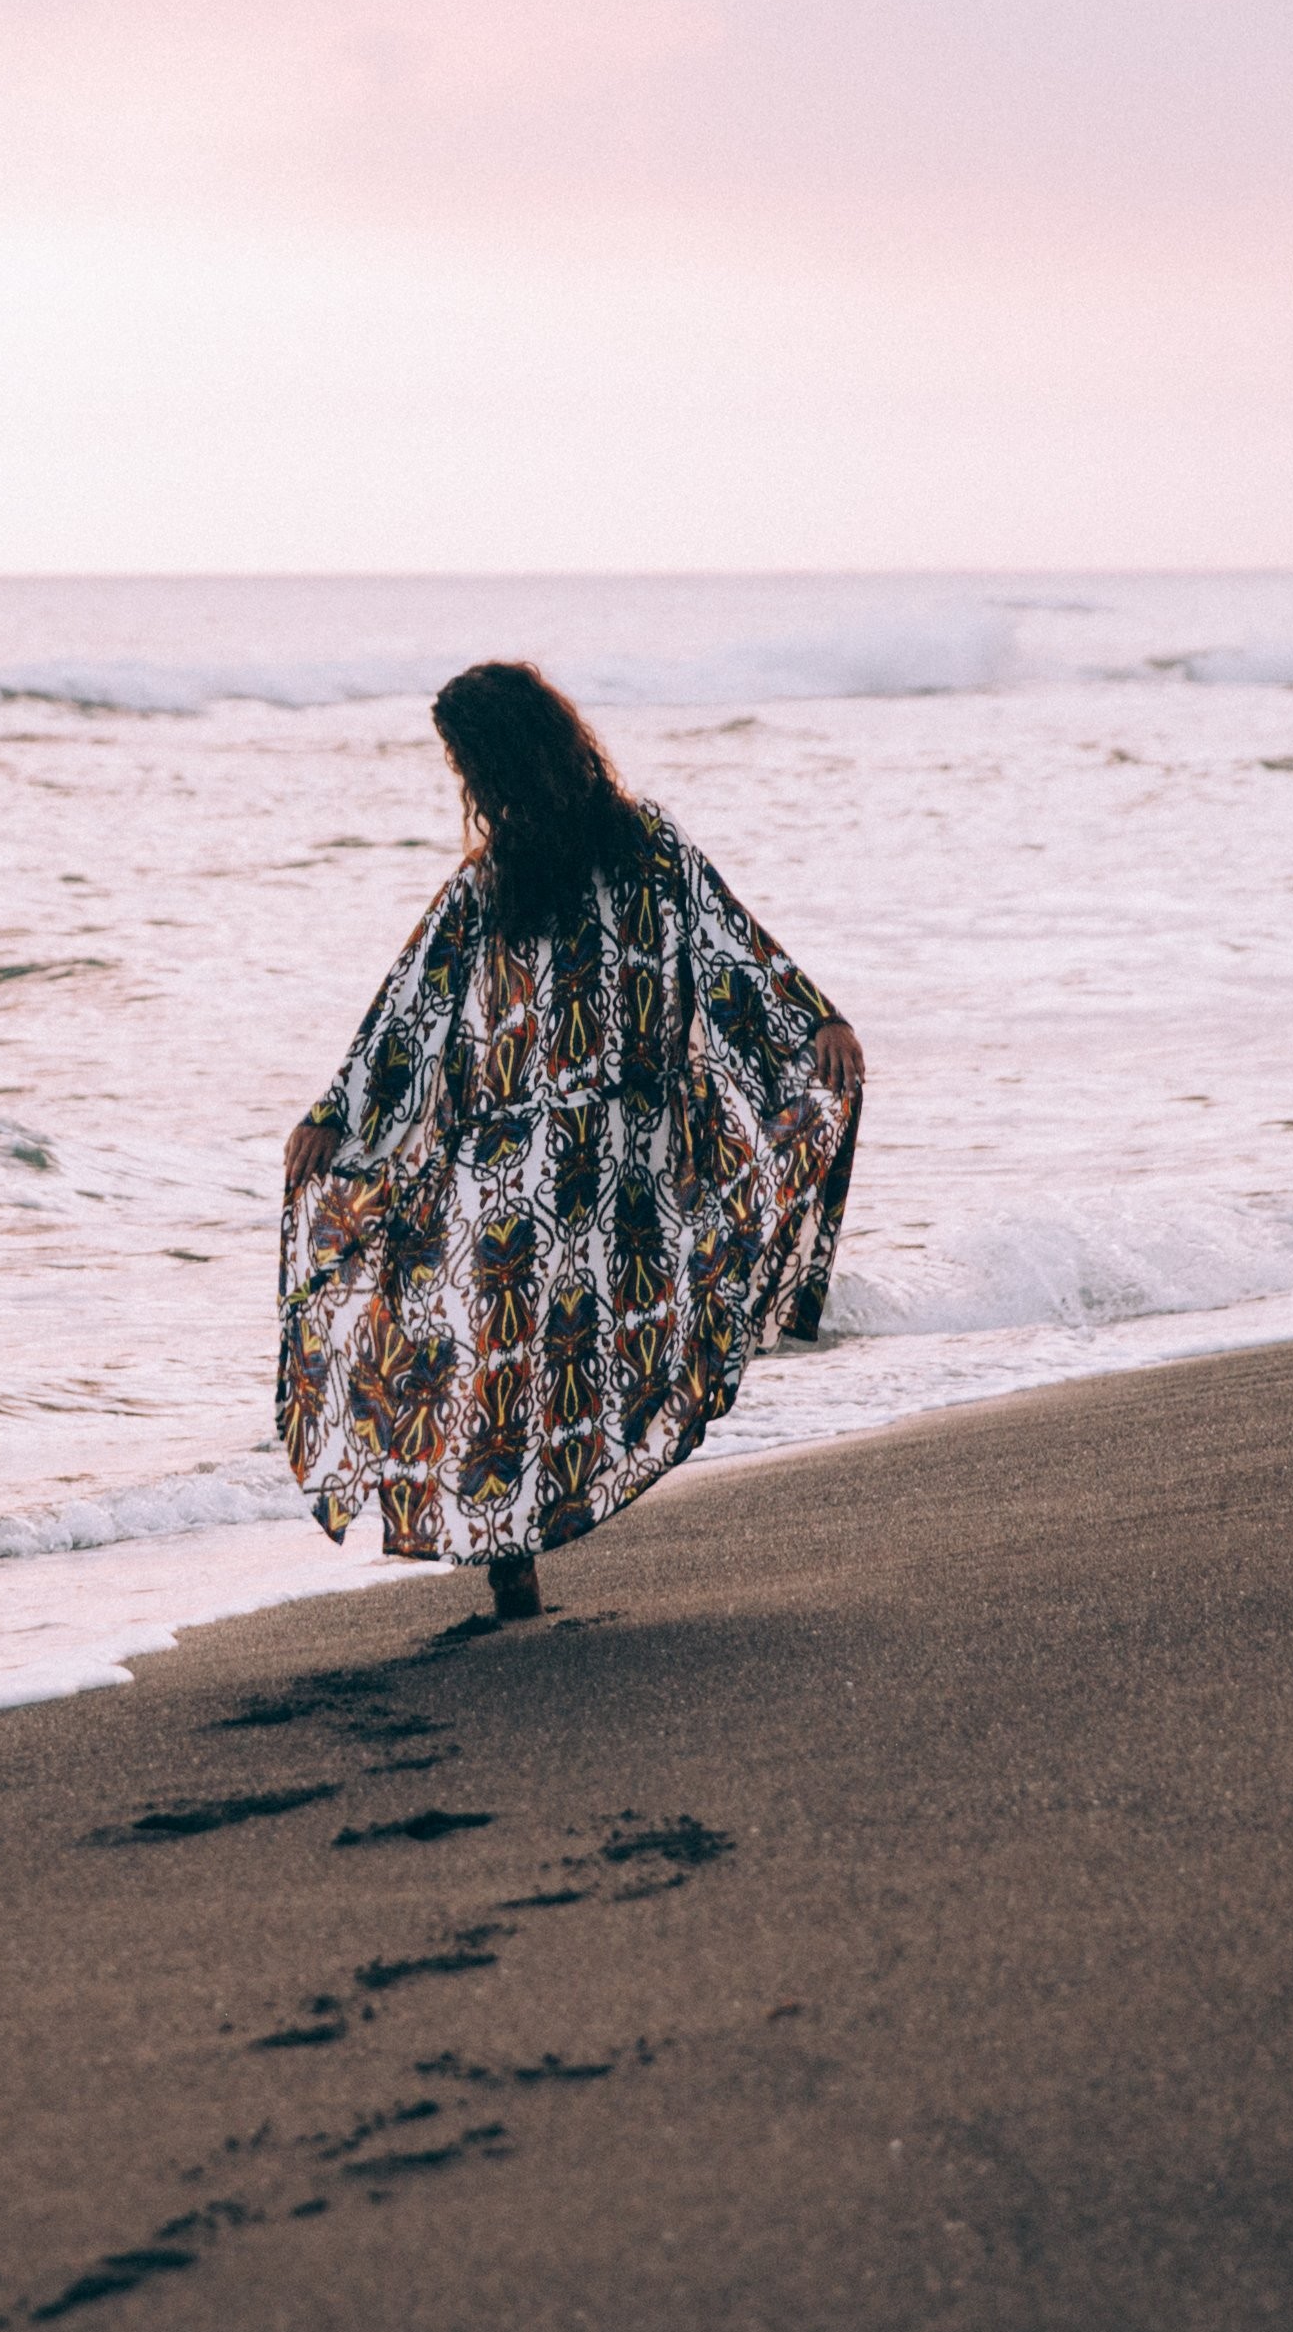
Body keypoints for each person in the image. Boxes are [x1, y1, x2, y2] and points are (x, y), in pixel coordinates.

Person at [278, 661, 865, 1622]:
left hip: (614, 1155)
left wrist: (815, 1022)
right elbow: (411, 1005)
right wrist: (334, 1115)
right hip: (514, 1155)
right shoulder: (488, 882)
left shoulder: (647, 846)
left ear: (504, 755)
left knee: (582, 1342)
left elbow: (729, 943)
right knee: (511, 1350)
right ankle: (516, 1557)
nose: (464, 781)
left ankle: (534, 1529)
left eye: (464, 759)